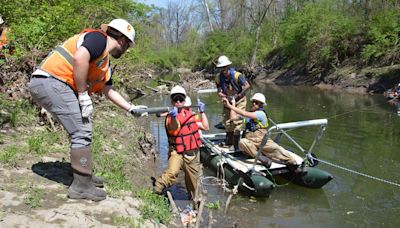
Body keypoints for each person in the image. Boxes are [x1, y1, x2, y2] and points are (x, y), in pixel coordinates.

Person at [29, 18, 147, 201]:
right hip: (51, 81)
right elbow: (80, 57)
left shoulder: (104, 63)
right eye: (128, 46)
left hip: (53, 84)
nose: (126, 50)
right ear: (123, 41)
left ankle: (84, 175)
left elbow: (108, 90)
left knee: (83, 128)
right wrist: (83, 94)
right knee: (81, 131)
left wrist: (131, 108)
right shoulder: (98, 39)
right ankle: (81, 186)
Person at [154, 85, 209, 200]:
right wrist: (174, 116)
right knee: (172, 172)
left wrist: (202, 112)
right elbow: (174, 128)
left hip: (192, 153)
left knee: (193, 183)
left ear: (185, 101)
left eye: (181, 99)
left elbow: (205, 126)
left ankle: (194, 203)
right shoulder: (170, 117)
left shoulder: (192, 115)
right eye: (175, 99)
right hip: (177, 152)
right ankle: (155, 191)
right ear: (172, 101)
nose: (178, 101)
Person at [222, 93, 297, 168]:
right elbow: (233, 117)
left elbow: (244, 113)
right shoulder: (248, 115)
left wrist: (229, 105)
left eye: (257, 102)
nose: (254, 104)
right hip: (251, 141)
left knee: (276, 148)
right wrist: (233, 104)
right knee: (242, 142)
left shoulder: (260, 114)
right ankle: (261, 158)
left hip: (262, 140)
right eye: (253, 102)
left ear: (261, 105)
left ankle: (292, 162)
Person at [215, 55, 250, 150]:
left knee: (237, 120)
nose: (223, 70)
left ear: (228, 66)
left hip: (240, 100)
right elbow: (218, 91)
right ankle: (229, 140)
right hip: (228, 100)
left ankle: (236, 144)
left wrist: (238, 96)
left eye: (225, 67)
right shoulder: (218, 78)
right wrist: (223, 96)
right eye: (221, 68)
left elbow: (247, 86)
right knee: (227, 120)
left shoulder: (237, 75)